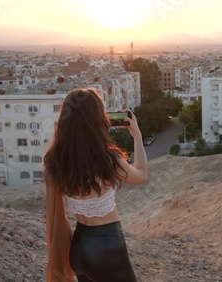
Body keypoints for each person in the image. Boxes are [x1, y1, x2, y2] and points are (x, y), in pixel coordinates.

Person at [44, 88, 147, 282]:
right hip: (107, 247)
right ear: (97, 119)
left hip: (79, 246)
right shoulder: (107, 160)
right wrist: (137, 136)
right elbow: (141, 175)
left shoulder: (55, 160)